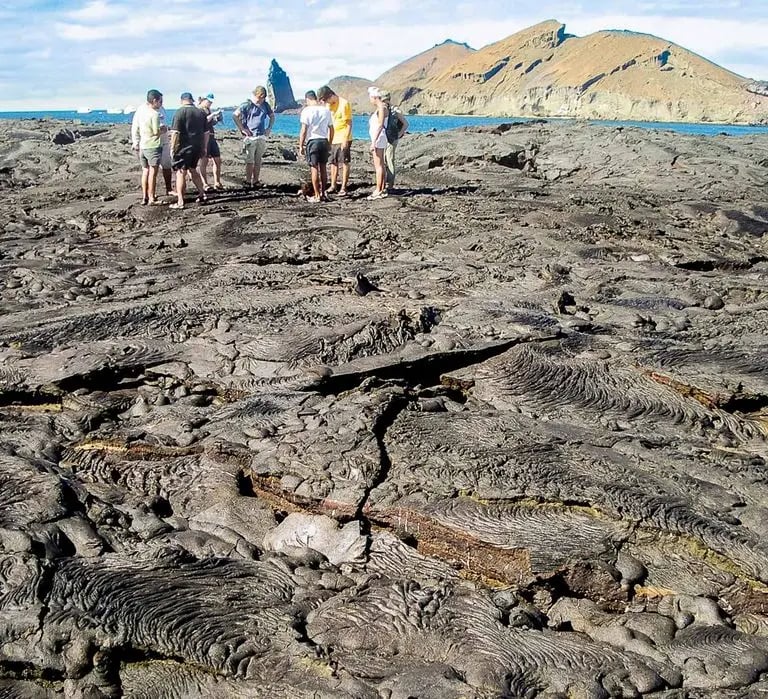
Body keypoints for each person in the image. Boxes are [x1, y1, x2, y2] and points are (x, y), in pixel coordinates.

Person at [169, 92, 209, 210]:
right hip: (197, 147)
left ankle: (180, 201)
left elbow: (175, 133)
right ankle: (202, 193)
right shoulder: (201, 113)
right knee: (192, 169)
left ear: (182, 100)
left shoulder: (179, 112)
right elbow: (206, 133)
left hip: (183, 147)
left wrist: (172, 148)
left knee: (181, 172)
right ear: (192, 100)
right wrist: (204, 147)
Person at [232, 86, 275, 189]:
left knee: (258, 160)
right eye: (260, 97)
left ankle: (255, 181)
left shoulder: (265, 105)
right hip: (250, 137)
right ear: (255, 95)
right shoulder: (246, 105)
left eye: (263, 98)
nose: (261, 100)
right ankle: (248, 181)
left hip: (261, 136)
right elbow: (235, 115)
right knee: (250, 160)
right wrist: (242, 129)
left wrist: (269, 128)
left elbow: (272, 116)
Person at [297, 90, 334, 203]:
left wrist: (301, 145)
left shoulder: (307, 111)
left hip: (313, 141)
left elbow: (304, 130)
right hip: (324, 140)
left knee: (314, 168)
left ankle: (317, 195)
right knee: (323, 168)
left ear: (307, 99)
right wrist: (329, 142)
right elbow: (331, 129)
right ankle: (323, 192)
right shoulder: (326, 110)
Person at [130, 89, 164, 205]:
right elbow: (155, 132)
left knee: (145, 171)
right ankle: (151, 198)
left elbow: (136, 127)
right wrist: (163, 130)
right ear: (154, 101)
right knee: (153, 173)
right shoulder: (154, 114)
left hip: (143, 146)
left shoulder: (141, 112)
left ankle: (145, 196)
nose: (161, 104)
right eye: (160, 101)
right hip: (153, 145)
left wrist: (136, 142)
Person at [317, 85, 352, 196]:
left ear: (330, 95)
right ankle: (333, 185)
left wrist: (345, 139)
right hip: (332, 138)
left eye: (326, 100)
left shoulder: (344, 103)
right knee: (333, 162)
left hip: (343, 137)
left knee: (344, 162)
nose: (326, 102)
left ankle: (344, 187)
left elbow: (348, 123)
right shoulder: (328, 106)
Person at [379, 90, 409, 192]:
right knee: (385, 160)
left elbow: (406, 124)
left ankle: (390, 184)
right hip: (386, 138)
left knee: (389, 160)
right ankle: (385, 182)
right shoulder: (388, 109)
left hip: (391, 138)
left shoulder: (394, 110)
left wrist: (398, 135)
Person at [197, 93, 223, 191]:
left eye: (211, 102)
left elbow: (210, 123)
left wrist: (217, 119)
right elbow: (203, 121)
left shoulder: (208, 110)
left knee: (217, 160)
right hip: (204, 138)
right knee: (204, 161)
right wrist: (213, 115)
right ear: (203, 100)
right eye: (209, 102)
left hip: (212, 137)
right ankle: (205, 184)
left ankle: (217, 182)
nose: (210, 104)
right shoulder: (199, 111)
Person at [366, 86, 389, 200]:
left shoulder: (381, 108)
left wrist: (374, 141)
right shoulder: (382, 107)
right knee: (381, 164)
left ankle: (378, 190)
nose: (370, 100)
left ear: (374, 97)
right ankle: (382, 188)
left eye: (370, 97)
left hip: (379, 138)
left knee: (378, 165)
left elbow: (380, 125)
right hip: (380, 137)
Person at [157, 96, 174, 196]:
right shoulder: (144, 110)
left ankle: (169, 188)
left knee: (167, 166)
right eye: (160, 100)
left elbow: (164, 123)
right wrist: (136, 142)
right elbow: (136, 126)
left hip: (164, 142)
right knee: (151, 169)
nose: (162, 102)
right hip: (152, 143)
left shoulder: (162, 109)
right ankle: (150, 194)